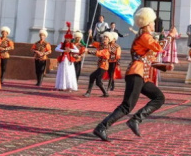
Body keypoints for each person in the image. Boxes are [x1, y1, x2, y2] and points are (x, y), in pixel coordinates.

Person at [93, 7, 172, 141]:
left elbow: (148, 60)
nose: (154, 25)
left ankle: (135, 120)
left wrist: (164, 66)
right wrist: (170, 37)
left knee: (159, 98)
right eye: (152, 22)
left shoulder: (145, 37)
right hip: (136, 74)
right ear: (147, 23)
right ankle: (101, 127)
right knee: (127, 106)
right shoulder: (145, 37)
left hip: (141, 75)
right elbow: (159, 48)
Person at [84, 33, 112, 97]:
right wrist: (90, 35)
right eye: (104, 37)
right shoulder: (100, 45)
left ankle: (88, 92)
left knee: (92, 76)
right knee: (98, 82)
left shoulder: (108, 48)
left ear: (109, 40)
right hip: (100, 65)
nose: (104, 38)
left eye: (106, 37)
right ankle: (106, 93)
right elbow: (93, 43)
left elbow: (99, 53)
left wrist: (88, 51)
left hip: (104, 66)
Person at [55, 22, 79, 92]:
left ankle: (69, 86)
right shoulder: (62, 44)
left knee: (69, 72)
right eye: (67, 38)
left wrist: (70, 49)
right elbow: (56, 49)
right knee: (62, 72)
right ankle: (61, 86)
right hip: (63, 60)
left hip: (69, 60)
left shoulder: (72, 44)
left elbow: (77, 50)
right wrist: (63, 50)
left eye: (69, 38)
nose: (68, 40)